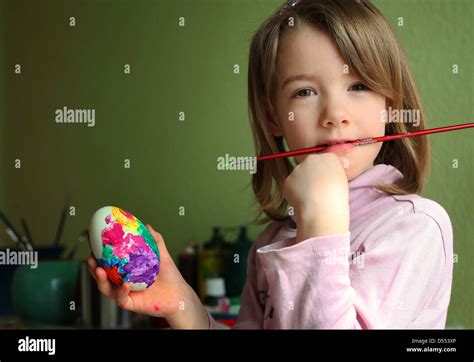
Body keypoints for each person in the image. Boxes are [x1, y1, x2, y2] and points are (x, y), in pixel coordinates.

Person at [87, 0, 453, 329]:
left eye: (358, 85)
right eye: (304, 92)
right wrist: (182, 305)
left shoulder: (415, 227)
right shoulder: (272, 241)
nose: (335, 115)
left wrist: (321, 223)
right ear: (274, 116)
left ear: (391, 104)